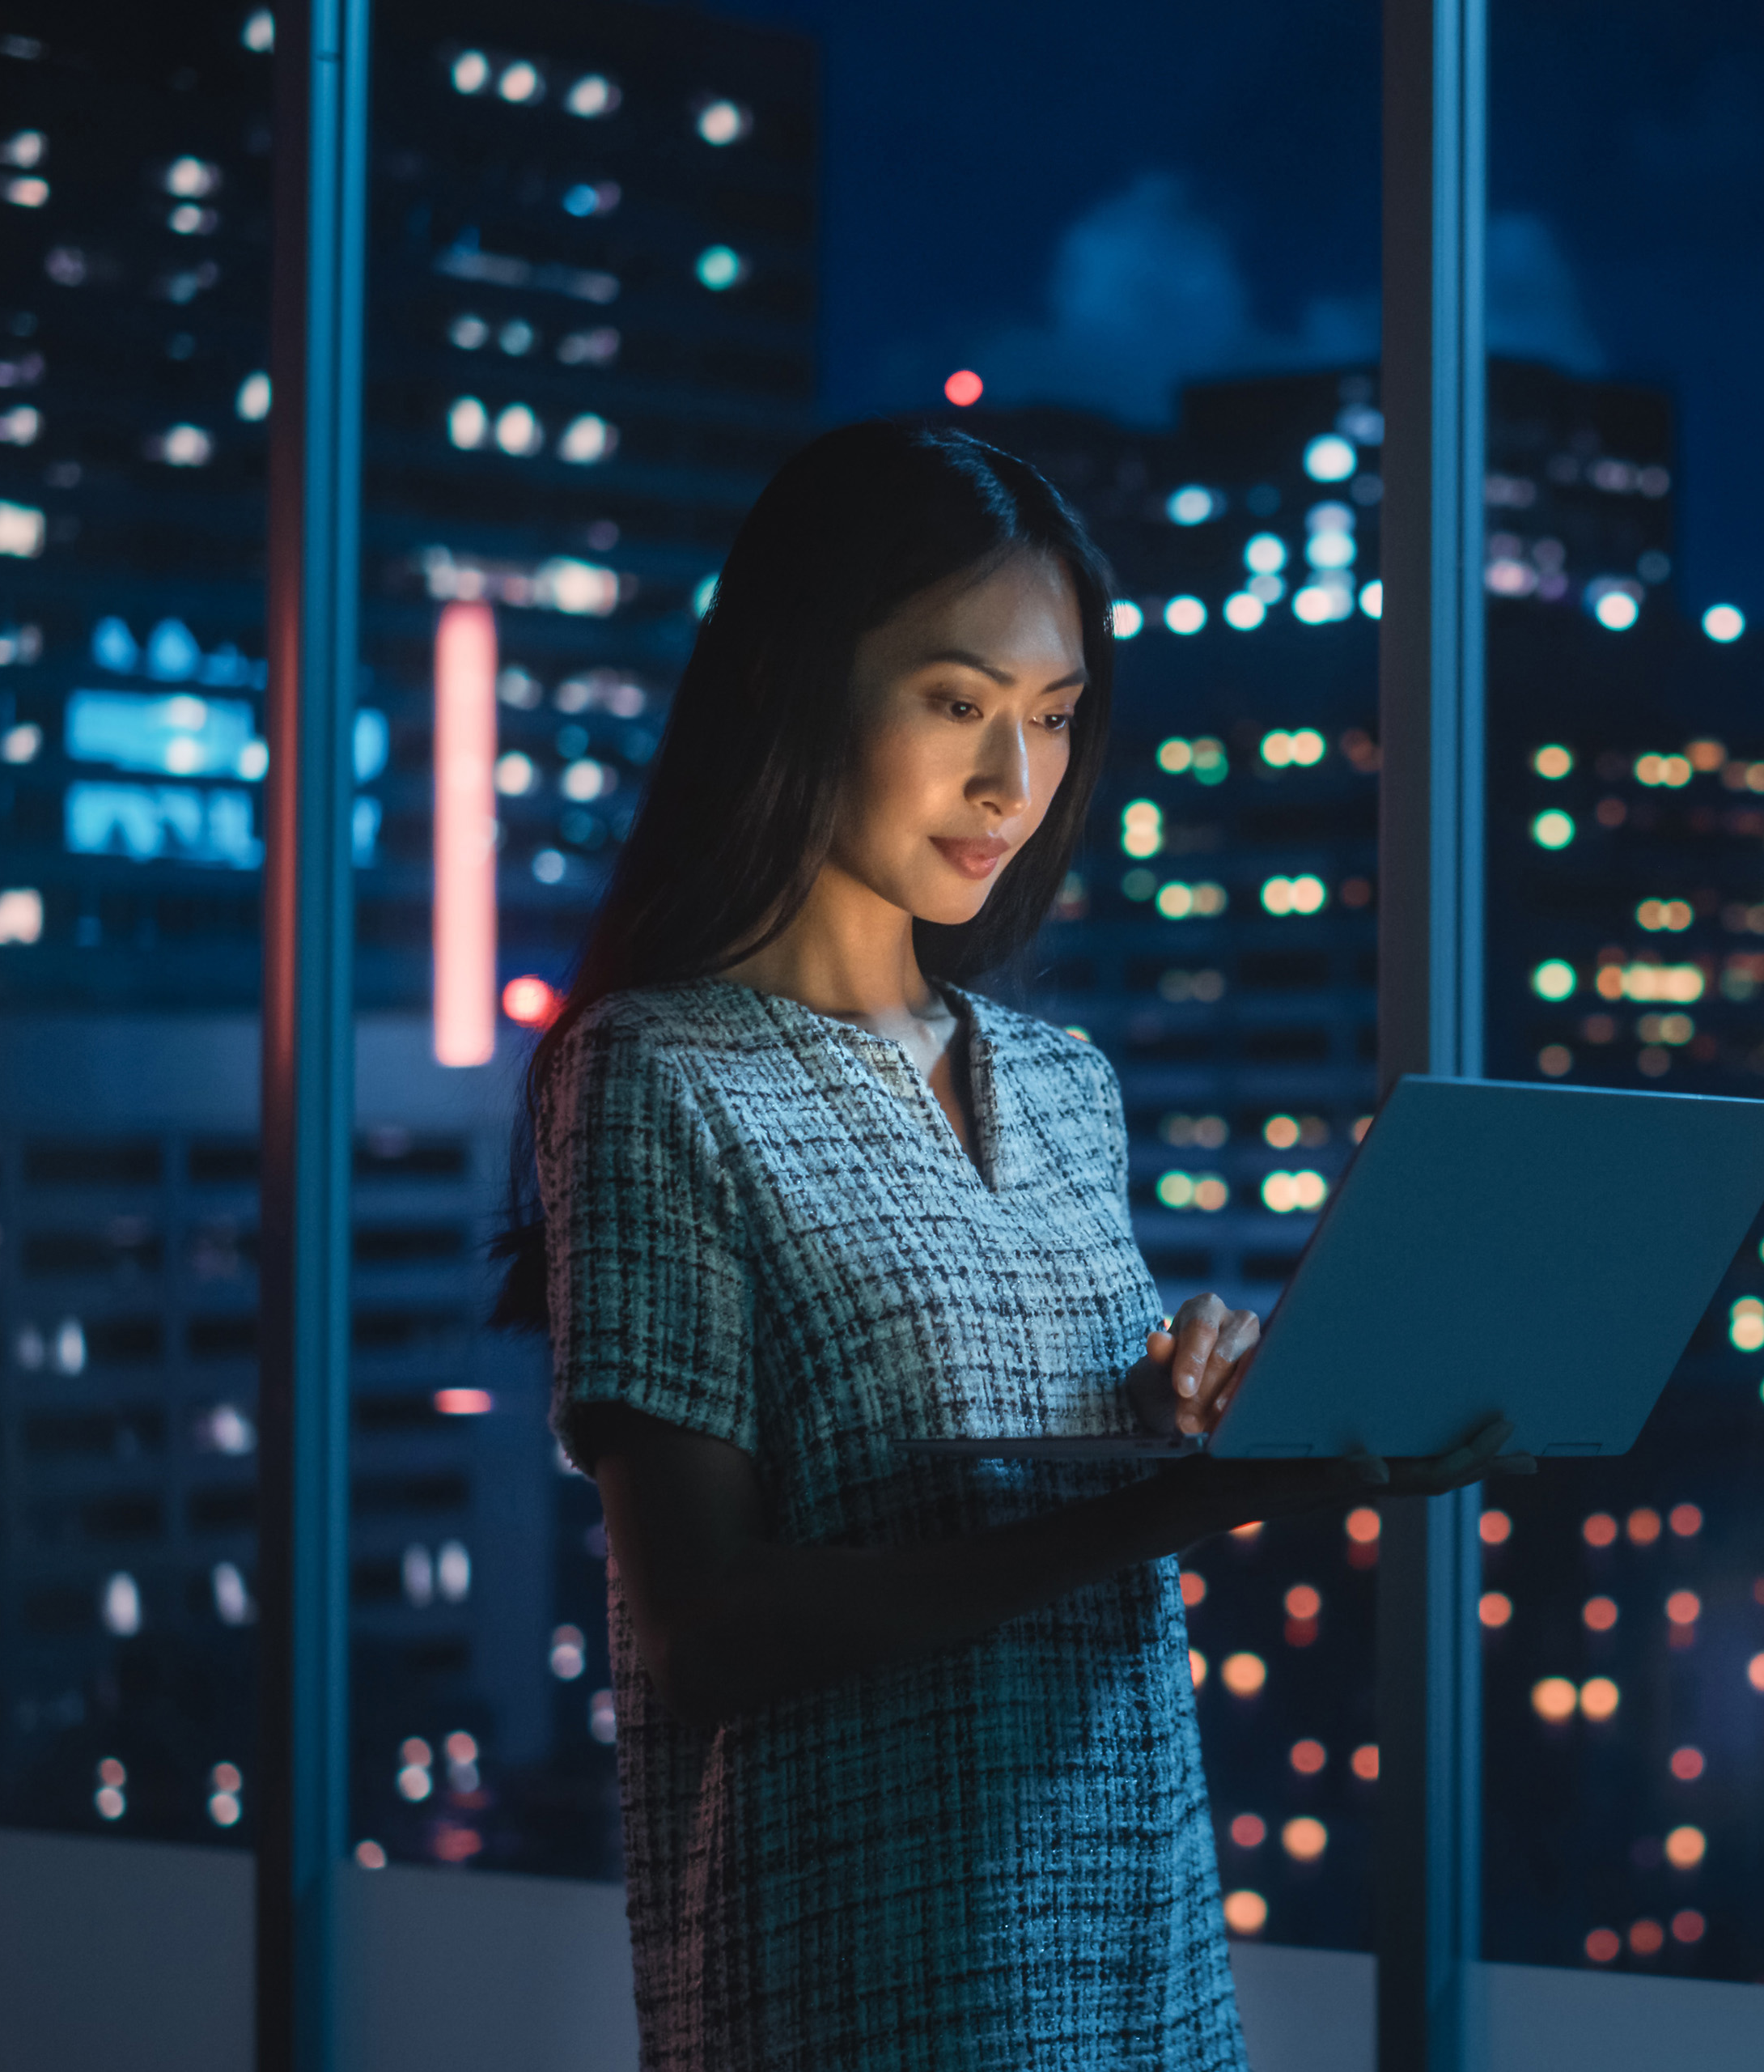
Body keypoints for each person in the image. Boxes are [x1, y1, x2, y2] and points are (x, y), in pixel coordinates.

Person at [498, 421, 1516, 2072]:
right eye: (959, 703)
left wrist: (1205, 1400)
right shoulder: (654, 1069)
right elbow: (714, 1625)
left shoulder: (1059, 1084)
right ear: (788, 677)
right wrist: (1182, 1503)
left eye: (1052, 719)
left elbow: (1019, 1460)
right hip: (868, 1990)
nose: (1014, 785)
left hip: (1145, 1972)